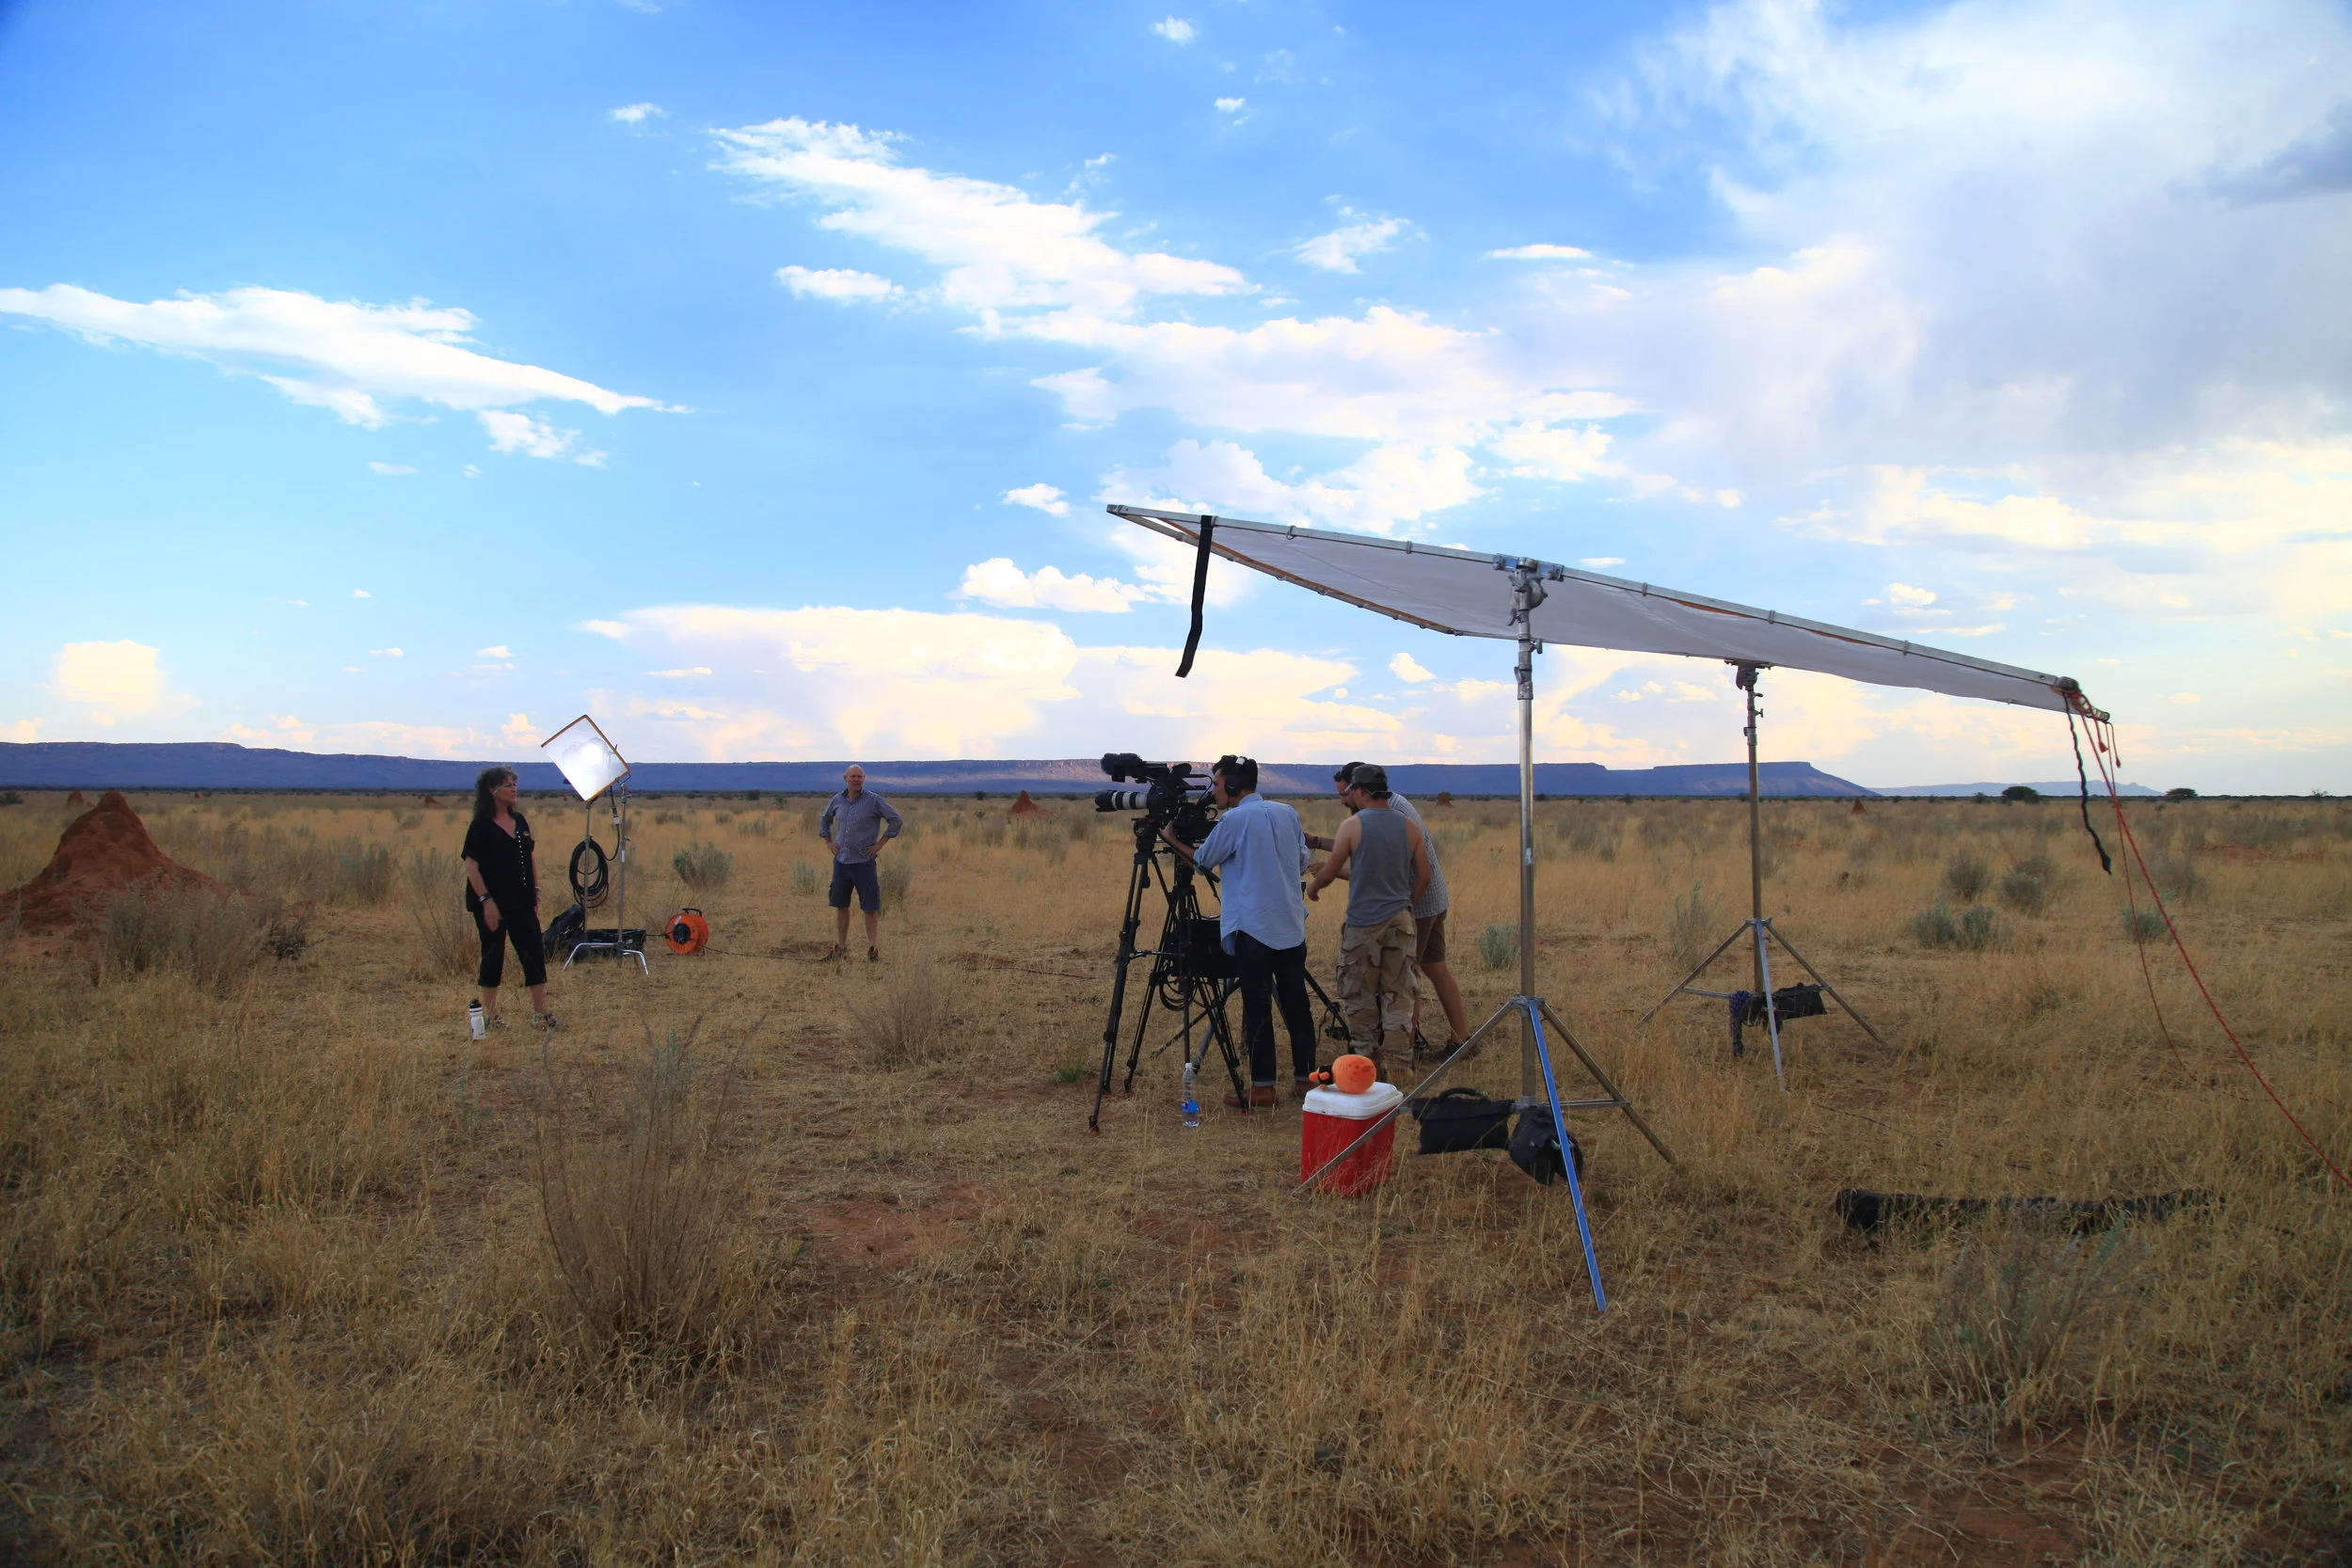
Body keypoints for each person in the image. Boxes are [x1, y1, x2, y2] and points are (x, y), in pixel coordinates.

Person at [1164, 754, 1319, 1108]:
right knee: (1297, 1004)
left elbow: (1203, 861)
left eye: (1217, 785)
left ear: (1233, 786)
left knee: (1259, 1005)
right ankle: (1306, 1081)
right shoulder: (1287, 812)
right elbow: (1300, 861)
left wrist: (1171, 838)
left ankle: (1263, 1088)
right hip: (1291, 925)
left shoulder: (1234, 819)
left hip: (1254, 928)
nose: (1215, 792)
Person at [1311, 762, 1473, 1055]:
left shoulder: (1387, 815)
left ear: (1358, 789)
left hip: (1412, 903)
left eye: (1345, 793)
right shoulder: (1393, 808)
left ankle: (1404, 1049)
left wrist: (1325, 876)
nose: (1343, 800)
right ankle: (1461, 1040)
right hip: (1431, 898)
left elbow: (1372, 862)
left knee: (1403, 980)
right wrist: (1318, 843)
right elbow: (1361, 844)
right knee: (1435, 968)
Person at [1305, 764, 1430, 1072]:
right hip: (1400, 921)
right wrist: (1406, 904)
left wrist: (1315, 889)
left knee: (1358, 992)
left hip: (1363, 924)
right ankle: (1400, 1067)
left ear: (1359, 791)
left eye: (1350, 793)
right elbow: (1424, 876)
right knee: (1399, 992)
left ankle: (1365, 1066)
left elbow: (1332, 869)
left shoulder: (1353, 826)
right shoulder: (1409, 827)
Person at [462, 766, 558, 1030]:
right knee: (493, 955)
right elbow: (471, 866)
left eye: (515, 784)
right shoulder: (481, 825)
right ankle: (491, 1018)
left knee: (533, 951)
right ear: (493, 791)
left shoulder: (520, 822)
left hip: (522, 901)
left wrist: (535, 891)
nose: (514, 789)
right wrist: (486, 902)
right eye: (508, 785)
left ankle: (541, 1014)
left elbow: (530, 857)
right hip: (492, 903)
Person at [818, 764, 903, 961]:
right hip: (842, 862)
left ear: (864, 779)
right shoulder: (837, 800)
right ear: (845, 778)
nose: (856, 780)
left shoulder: (873, 800)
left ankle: (872, 950)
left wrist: (880, 844)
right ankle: (841, 948)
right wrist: (829, 841)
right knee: (841, 905)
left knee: (870, 907)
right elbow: (824, 819)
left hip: (864, 862)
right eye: (853, 776)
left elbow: (896, 820)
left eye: (860, 776)